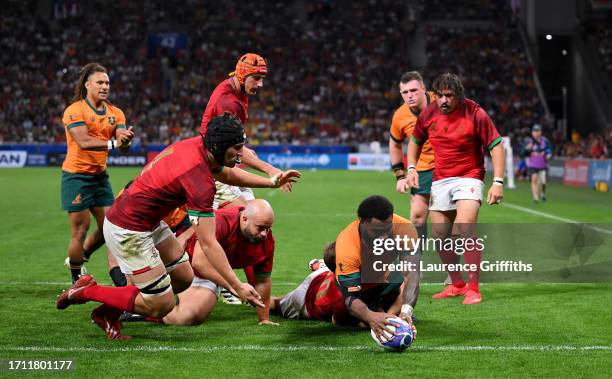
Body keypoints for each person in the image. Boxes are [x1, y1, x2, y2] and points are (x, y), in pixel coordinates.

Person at [56, 114, 300, 340]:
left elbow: (225, 174)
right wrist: (236, 286)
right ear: (219, 147)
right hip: (129, 228)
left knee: (183, 278)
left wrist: (270, 182)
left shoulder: (200, 147)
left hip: (147, 220)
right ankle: (87, 290)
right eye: (236, 148)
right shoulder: (198, 180)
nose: (241, 154)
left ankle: (109, 311)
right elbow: (208, 242)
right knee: (161, 304)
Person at [406, 73, 505, 305]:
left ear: (458, 96)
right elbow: (415, 142)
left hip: (469, 177)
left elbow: (496, 146)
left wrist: (498, 182)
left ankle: (474, 288)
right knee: (440, 235)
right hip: (441, 179)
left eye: (449, 96)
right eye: (440, 96)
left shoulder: (475, 113)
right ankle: (457, 284)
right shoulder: (428, 113)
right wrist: (411, 167)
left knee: (465, 228)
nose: (443, 101)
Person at [61, 62, 134, 283]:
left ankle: (84, 254)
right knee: (80, 230)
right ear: (87, 85)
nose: (104, 86)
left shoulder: (115, 112)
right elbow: (83, 141)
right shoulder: (74, 110)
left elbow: (122, 140)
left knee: (111, 227)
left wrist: (125, 141)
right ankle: (76, 277)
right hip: (76, 177)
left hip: (100, 177)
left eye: (107, 83)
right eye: (100, 82)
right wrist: (114, 143)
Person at [157, 200, 277, 326]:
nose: (264, 234)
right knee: (145, 282)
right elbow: (200, 262)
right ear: (245, 219)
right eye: (260, 228)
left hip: (206, 275)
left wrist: (264, 318)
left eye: (268, 228)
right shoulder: (222, 220)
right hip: (182, 258)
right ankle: (141, 305)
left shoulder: (267, 242)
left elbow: (263, 281)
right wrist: (235, 286)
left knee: (188, 316)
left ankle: (148, 313)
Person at [200, 53, 290, 210]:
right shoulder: (228, 102)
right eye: (256, 78)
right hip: (214, 168)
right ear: (242, 74)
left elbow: (234, 145)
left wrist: (245, 150)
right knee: (246, 217)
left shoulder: (239, 91)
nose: (260, 84)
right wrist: (271, 170)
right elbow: (232, 148)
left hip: (223, 163)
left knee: (251, 215)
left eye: (262, 78)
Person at [334, 195, 419, 342]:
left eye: (387, 229)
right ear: (362, 222)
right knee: (347, 317)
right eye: (377, 231)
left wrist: (406, 311)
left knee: (399, 280)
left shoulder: (404, 228)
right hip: (355, 283)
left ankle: (383, 308)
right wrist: (370, 317)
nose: (384, 237)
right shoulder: (347, 245)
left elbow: (412, 274)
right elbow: (351, 298)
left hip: (380, 276)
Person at [270, 242, 351, 324]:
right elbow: (337, 319)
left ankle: (322, 266)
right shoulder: (340, 299)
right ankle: (258, 298)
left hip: (325, 274)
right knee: (276, 304)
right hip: (305, 299)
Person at [524, 124, 552, 202]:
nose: (536, 133)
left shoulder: (545, 141)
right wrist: (527, 149)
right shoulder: (529, 141)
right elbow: (523, 153)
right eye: (534, 131)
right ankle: (535, 197)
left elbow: (549, 150)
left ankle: (542, 194)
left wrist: (548, 155)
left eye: (537, 131)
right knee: (534, 179)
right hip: (532, 164)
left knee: (543, 182)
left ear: (540, 132)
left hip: (543, 164)